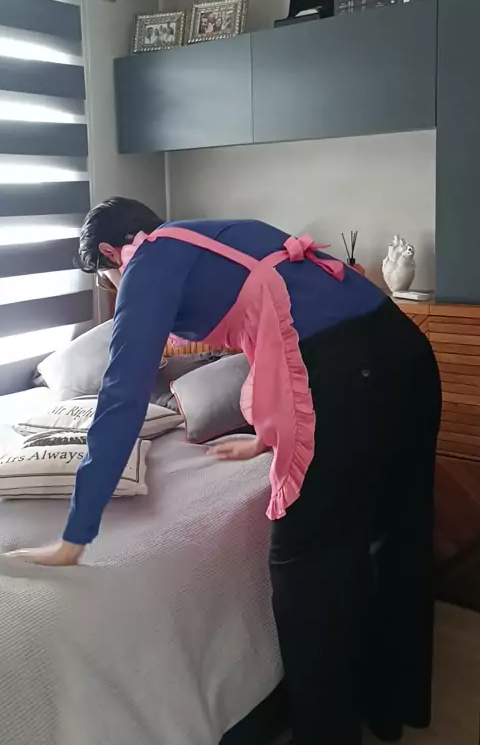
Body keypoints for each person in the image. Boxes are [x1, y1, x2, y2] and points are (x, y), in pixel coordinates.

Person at [7, 197, 441, 745]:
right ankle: (387, 707)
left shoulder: (149, 260)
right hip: (403, 350)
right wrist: (265, 436)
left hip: (347, 370)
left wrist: (77, 531)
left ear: (113, 253)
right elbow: (278, 337)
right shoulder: (215, 238)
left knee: (303, 562)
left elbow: (121, 398)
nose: (115, 288)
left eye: (106, 278)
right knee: (391, 529)